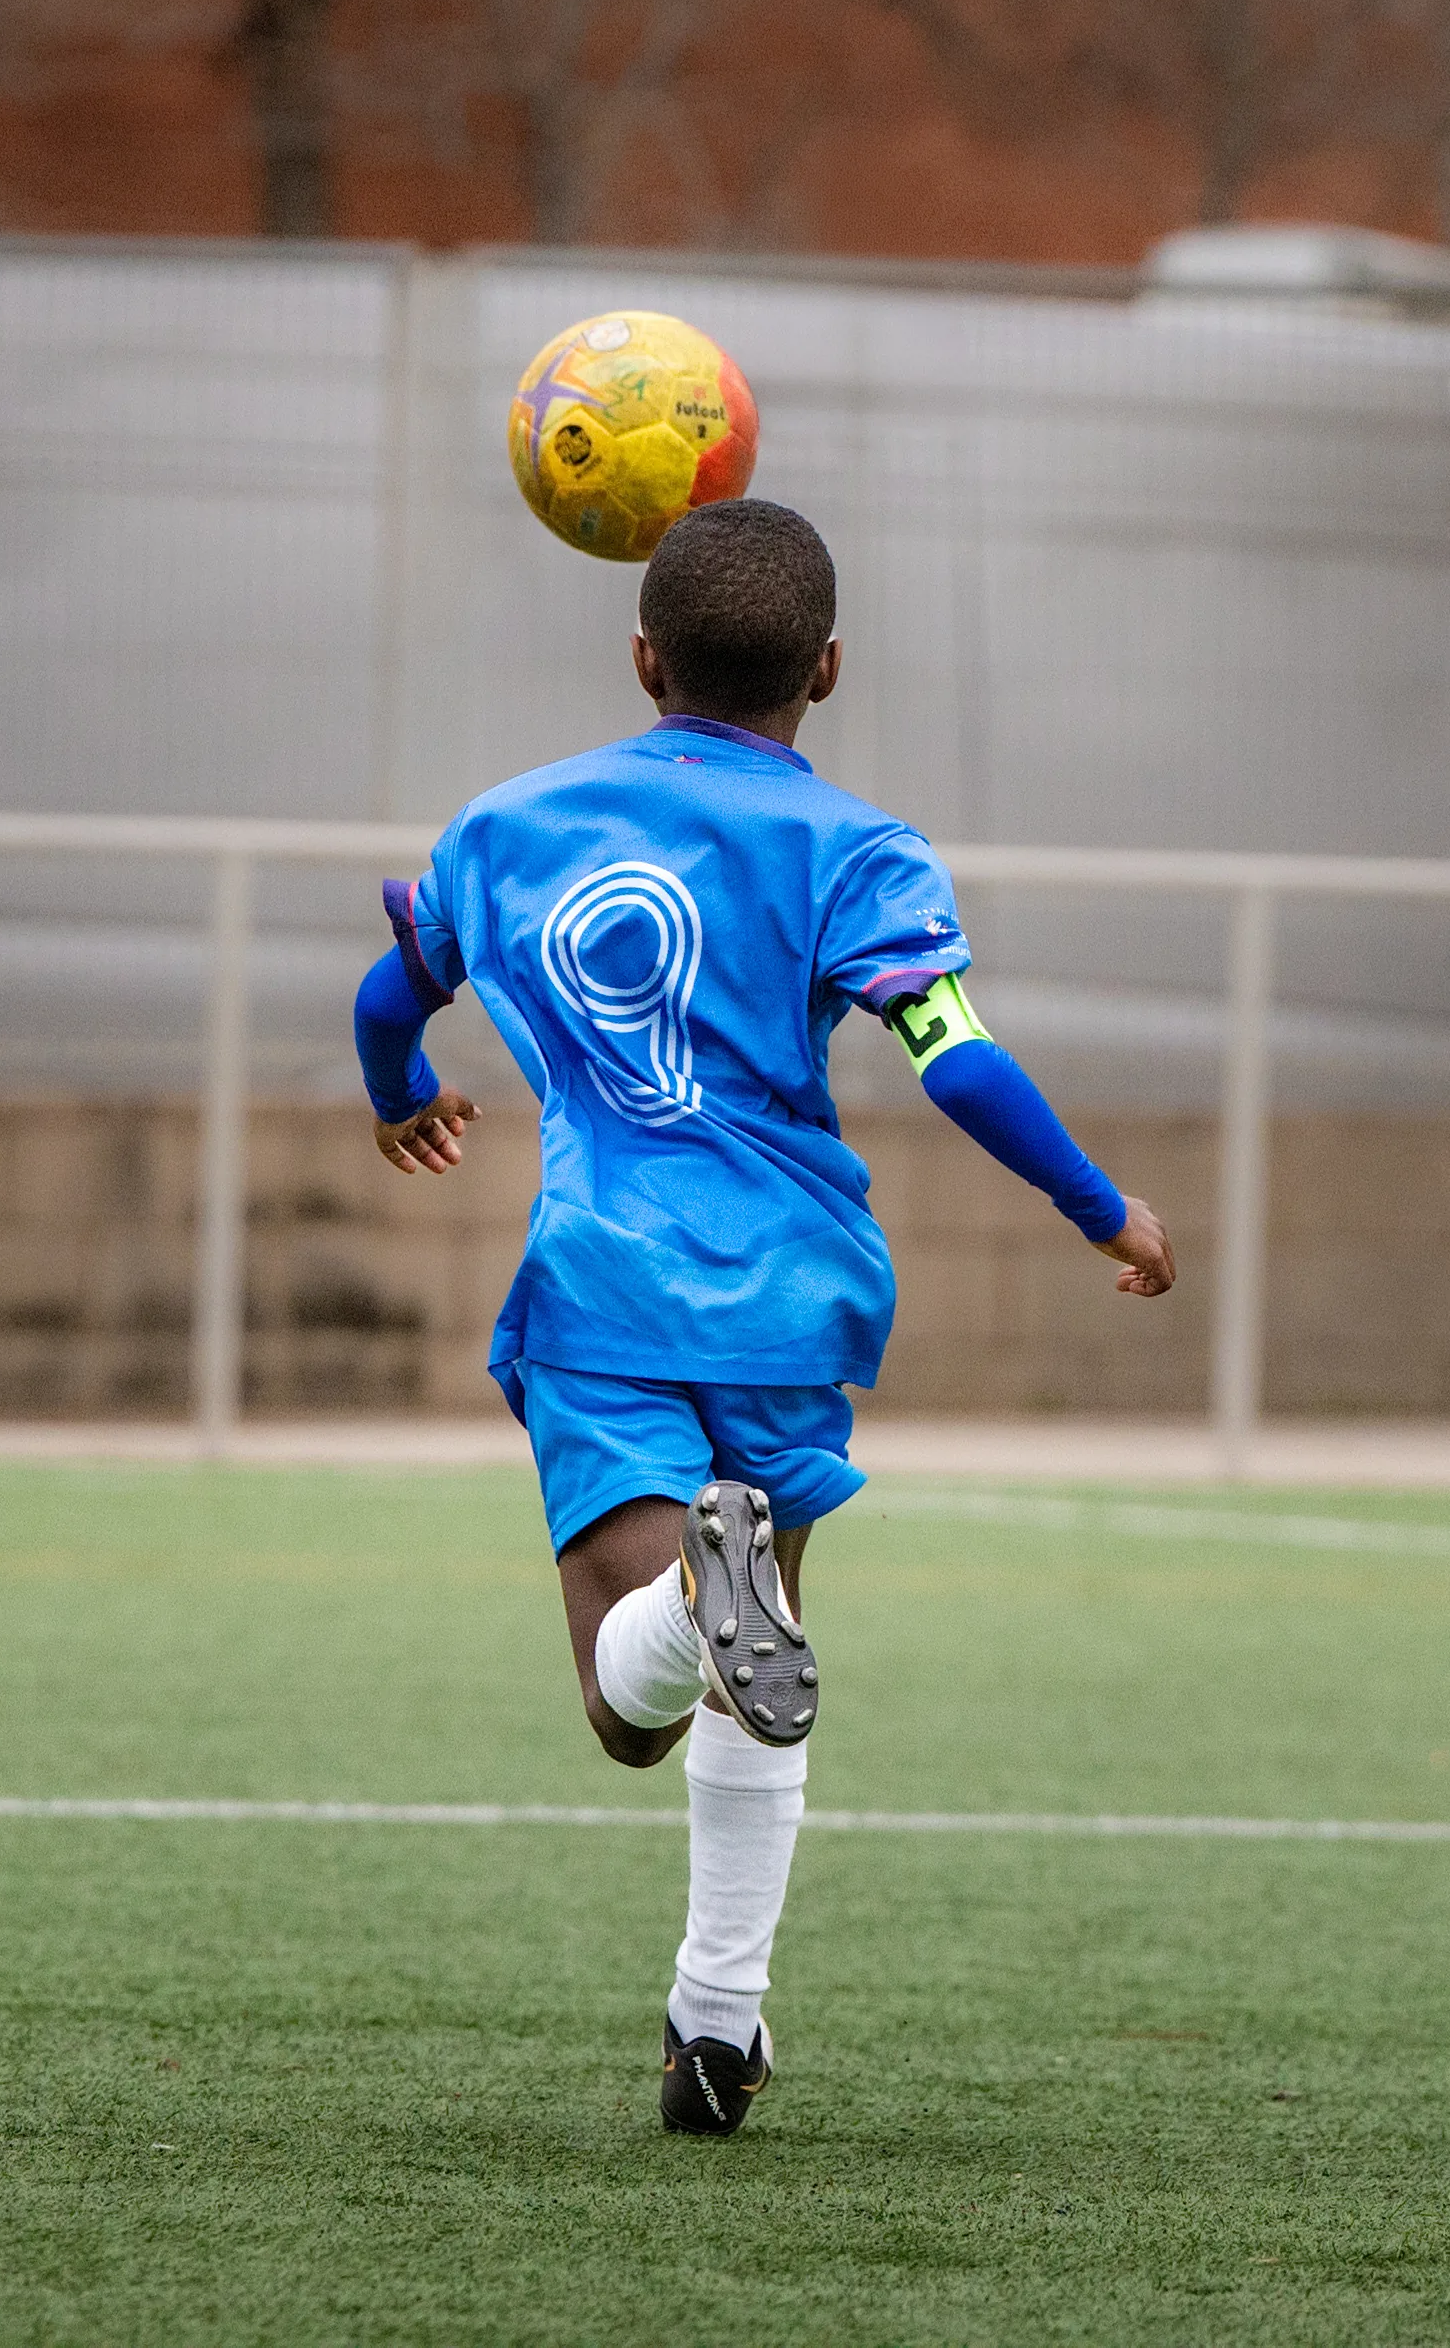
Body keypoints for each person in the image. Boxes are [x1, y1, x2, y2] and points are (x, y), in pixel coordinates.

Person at [352, 498, 1174, 2137]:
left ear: (642, 657)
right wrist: (1100, 1204)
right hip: (796, 1294)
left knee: (630, 1703)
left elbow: (391, 993)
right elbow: (957, 1057)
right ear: (830, 669)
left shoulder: (509, 824)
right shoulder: (861, 850)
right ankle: (715, 2023)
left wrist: (401, 1093)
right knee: (764, 1654)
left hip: (607, 1285)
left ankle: (683, 1596)